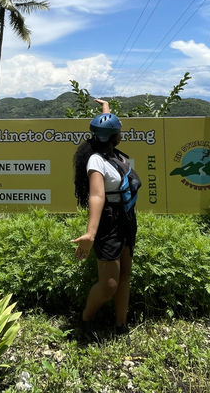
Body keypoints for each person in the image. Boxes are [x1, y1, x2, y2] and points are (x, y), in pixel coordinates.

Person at [72, 99, 138, 337]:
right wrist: (91, 233)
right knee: (109, 284)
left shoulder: (114, 153)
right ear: (114, 137)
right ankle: (86, 319)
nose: (121, 134)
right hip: (109, 220)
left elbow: (107, 124)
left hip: (126, 218)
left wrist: (106, 107)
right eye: (118, 131)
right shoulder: (96, 160)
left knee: (125, 276)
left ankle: (120, 325)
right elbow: (97, 196)